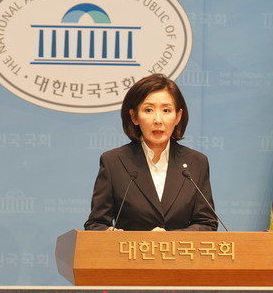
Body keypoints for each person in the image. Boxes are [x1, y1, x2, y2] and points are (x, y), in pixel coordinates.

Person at [84, 74, 218, 231]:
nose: (158, 120)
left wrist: (168, 239)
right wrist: (109, 234)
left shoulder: (196, 162)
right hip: (130, 248)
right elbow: (96, 224)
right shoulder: (114, 162)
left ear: (178, 117)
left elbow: (207, 224)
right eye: (148, 110)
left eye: (166, 110)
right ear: (134, 117)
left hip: (179, 248)